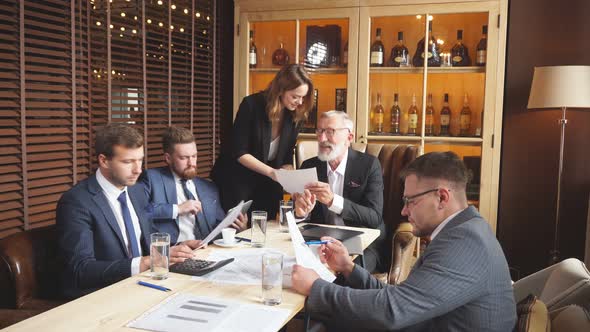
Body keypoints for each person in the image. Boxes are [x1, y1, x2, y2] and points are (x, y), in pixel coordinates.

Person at [291, 151, 516, 331]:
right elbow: (402, 300)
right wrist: (348, 268)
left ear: (442, 197)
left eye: (410, 201)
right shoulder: (463, 230)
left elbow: (391, 311)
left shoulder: (466, 243)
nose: (403, 210)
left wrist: (315, 287)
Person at [56, 124, 198, 300]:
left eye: (140, 160)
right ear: (104, 161)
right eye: (128, 162)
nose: (138, 169)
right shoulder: (76, 202)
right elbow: (80, 269)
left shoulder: (137, 191)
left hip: (144, 284)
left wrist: (174, 249)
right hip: (103, 294)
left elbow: (148, 237)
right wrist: (147, 262)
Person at [211, 64, 314, 217]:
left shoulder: (295, 117)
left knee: (267, 227)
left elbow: (285, 158)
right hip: (237, 179)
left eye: (303, 97)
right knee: (238, 231)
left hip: (268, 184)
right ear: (280, 90)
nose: (300, 102)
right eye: (295, 96)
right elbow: (239, 152)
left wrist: (293, 180)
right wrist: (272, 172)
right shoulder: (251, 105)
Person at [293, 111, 385, 272]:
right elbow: (300, 222)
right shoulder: (309, 166)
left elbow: (374, 217)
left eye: (330, 132)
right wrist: (301, 213)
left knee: (348, 274)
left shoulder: (369, 165)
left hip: (361, 244)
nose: (322, 139)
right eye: (319, 131)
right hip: (320, 242)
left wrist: (333, 201)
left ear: (349, 138)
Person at [141, 126, 247, 246]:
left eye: (194, 156)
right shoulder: (151, 179)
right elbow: (140, 212)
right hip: (174, 253)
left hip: (207, 252)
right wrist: (178, 209)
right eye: (183, 158)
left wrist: (237, 229)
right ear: (168, 158)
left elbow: (219, 228)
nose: (191, 163)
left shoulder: (208, 187)